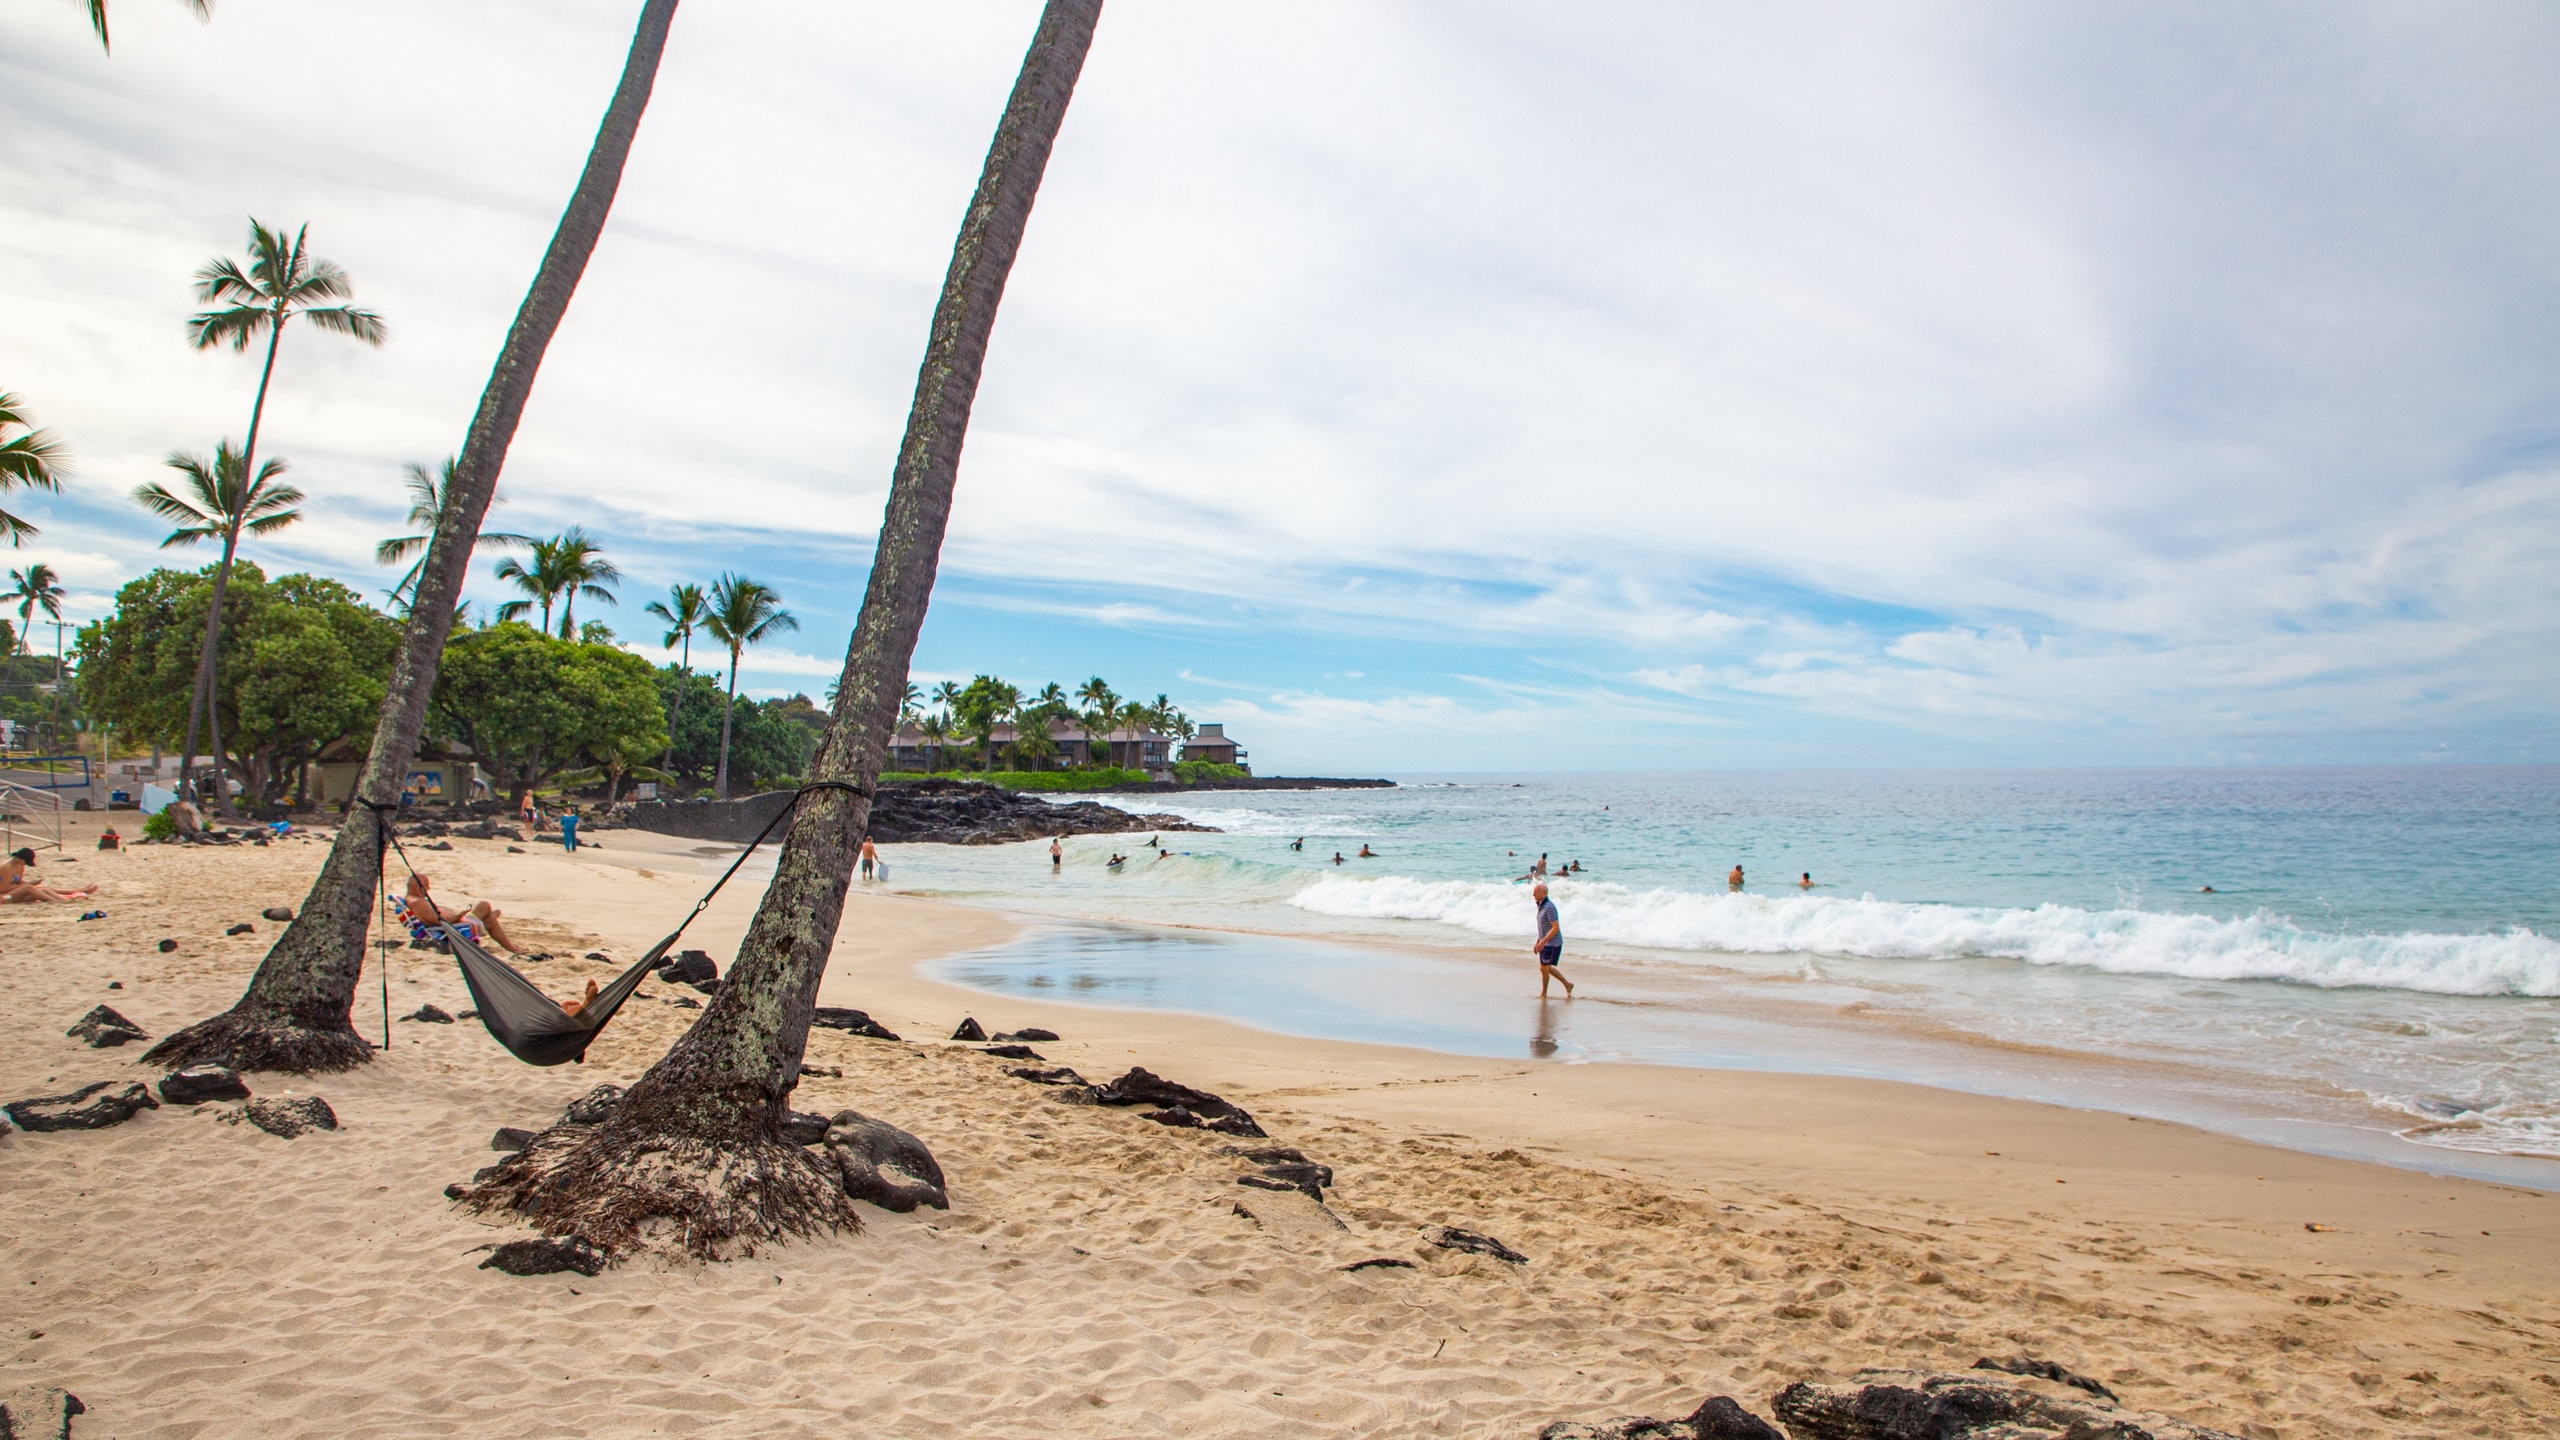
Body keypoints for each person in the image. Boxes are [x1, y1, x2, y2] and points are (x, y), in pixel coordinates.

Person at [402, 872, 525, 953]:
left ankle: (491, 920)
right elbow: (439, 921)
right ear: (417, 887)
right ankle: (511, 948)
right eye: (426, 886)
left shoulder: (414, 900)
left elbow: (433, 917)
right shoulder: (418, 902)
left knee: (489, 917)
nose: (429, 888)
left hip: (456, 924)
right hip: (457, 927)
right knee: (484, 906)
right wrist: (458, 915)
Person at [1, 847, 94, 903]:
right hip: (4, 898)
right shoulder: (6, 867)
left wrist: (29, 884)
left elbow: (19, 882)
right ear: (19, 858)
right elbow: (4, 888)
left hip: (11, 895)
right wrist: (29, 884)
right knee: (29, 888)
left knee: (44, 889)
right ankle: (57, 902)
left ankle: (68, 897)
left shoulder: (19, 865)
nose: (25, 865)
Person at [1531, 881, 1573, 998]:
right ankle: (1567, 984)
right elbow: (1543, 927)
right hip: (1545, 943)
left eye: (1535, 892)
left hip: (1553, 943)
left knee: (1545, 968)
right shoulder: (1541, 906)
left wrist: (1543, 943)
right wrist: (1538, 942)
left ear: (1543, 893)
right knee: (1544, 968)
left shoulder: (1549, 907)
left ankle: (1544, 994)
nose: (1533, 894)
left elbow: (1555, 927)